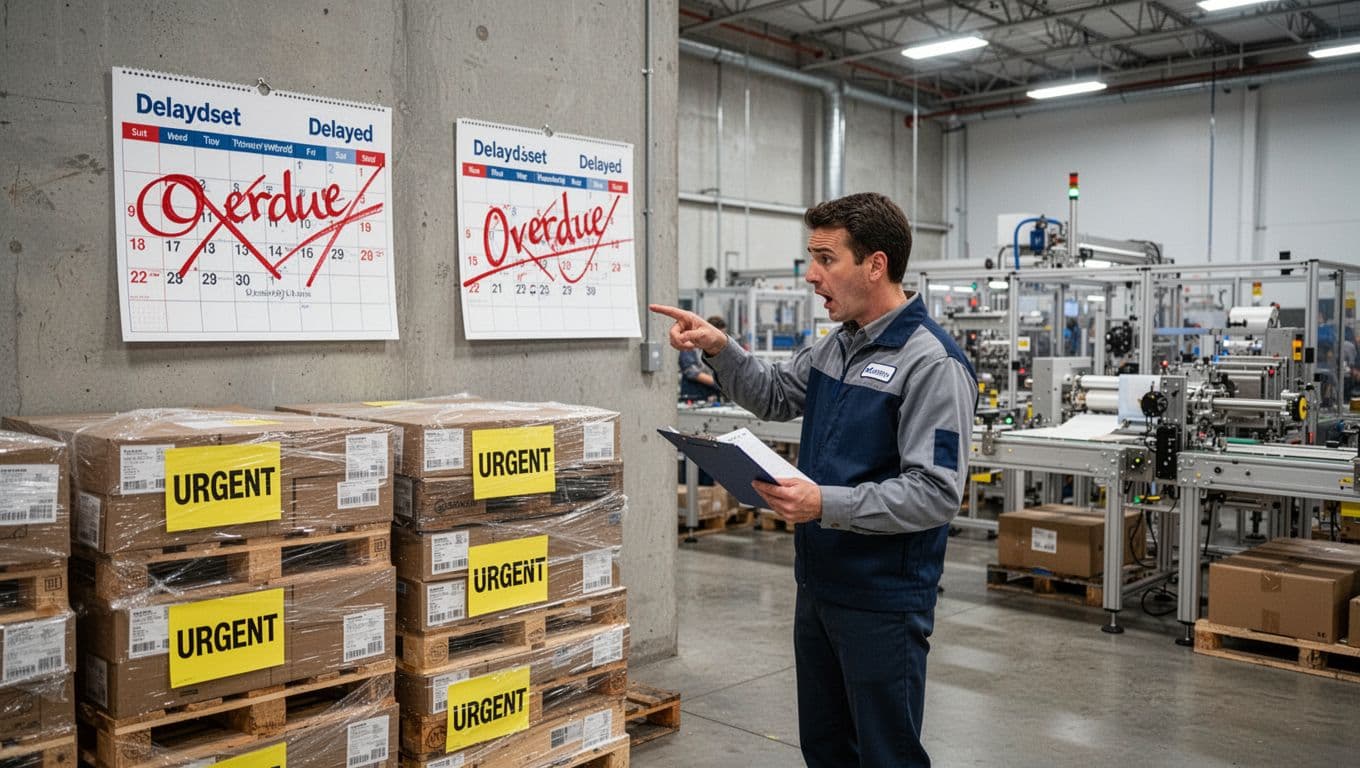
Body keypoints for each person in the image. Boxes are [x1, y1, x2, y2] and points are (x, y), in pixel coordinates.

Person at [651, 192, 977, 768]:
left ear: (875, 265)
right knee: (826, 748)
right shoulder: (838, 346)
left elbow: (935, 492)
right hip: (820, 584)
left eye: (826, 258)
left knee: (886, 754)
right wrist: (720, 348)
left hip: (882, 597)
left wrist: (822, 501)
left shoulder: (931, 364)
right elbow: (775, 394)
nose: (811, 274)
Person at [678, 316, 726, 401]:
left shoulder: (720, 348)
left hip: (713, 395)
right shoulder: (691, 344)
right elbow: (691, 372)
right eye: (719, 336)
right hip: (694, 396)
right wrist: (720, 384)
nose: (721, 339)